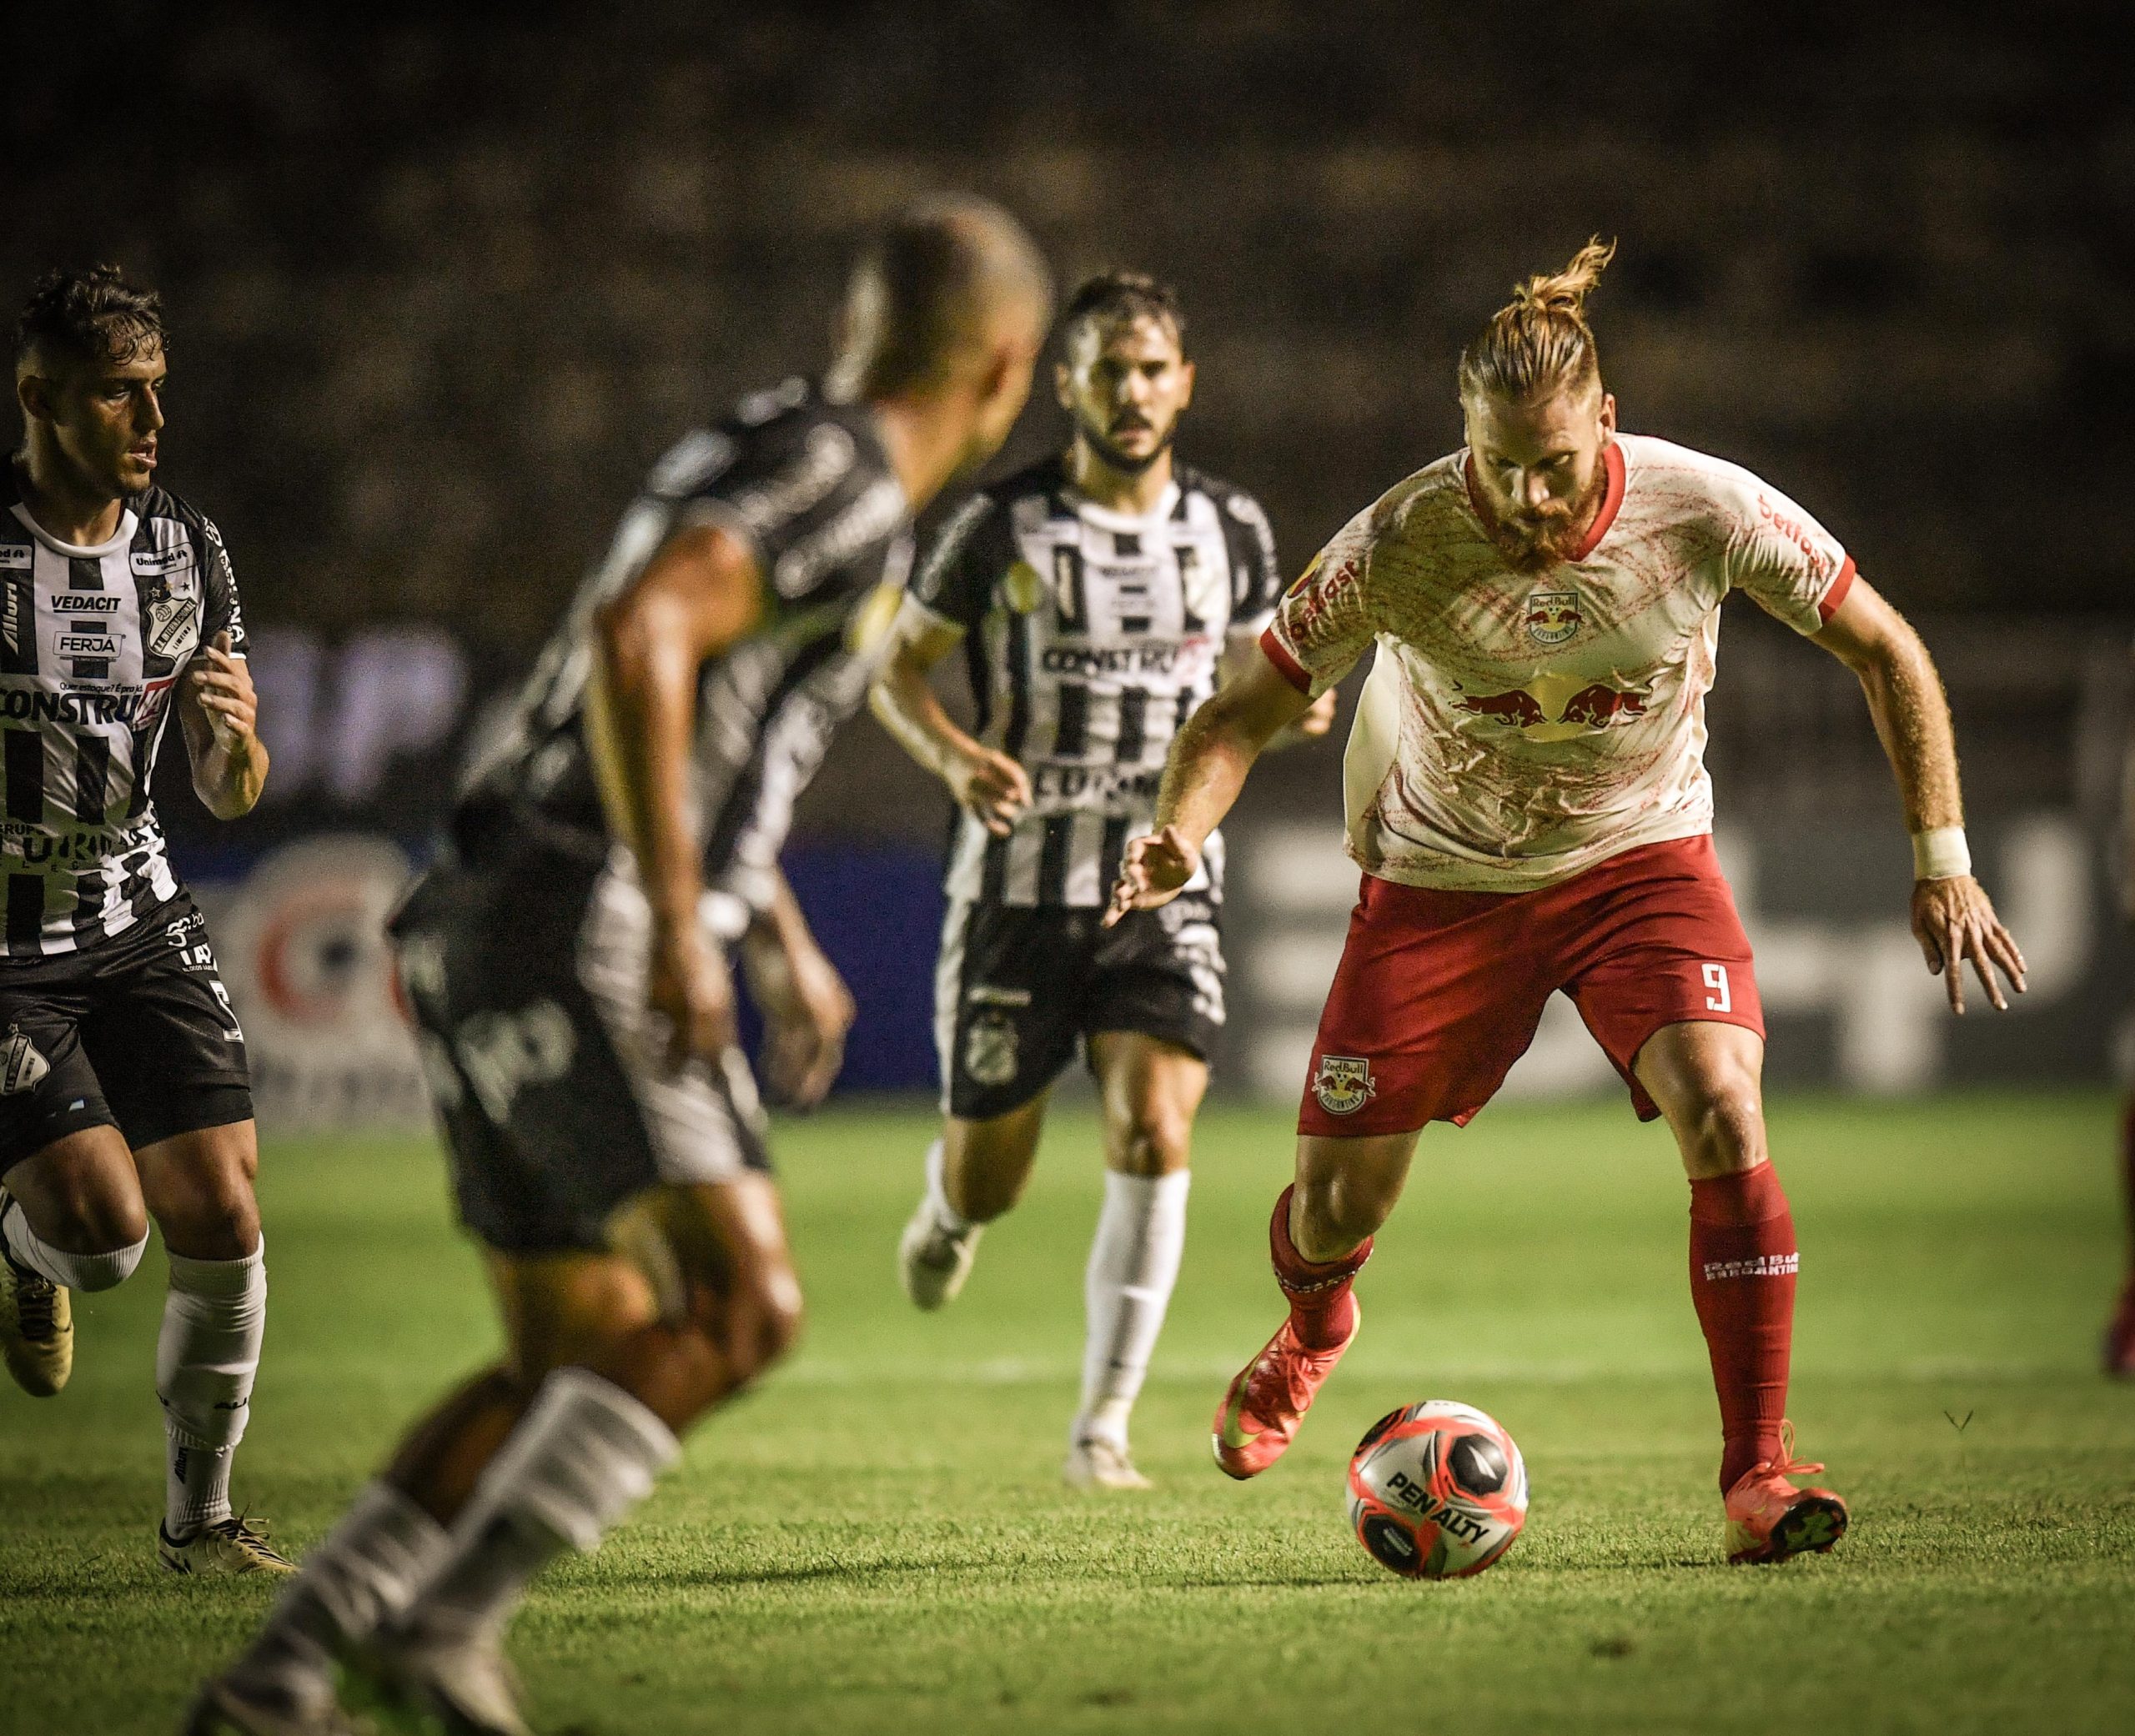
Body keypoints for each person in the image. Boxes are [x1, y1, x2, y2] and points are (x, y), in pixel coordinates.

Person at [188, 196, 1051, 1736]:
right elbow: (644, 635)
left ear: (864, 326)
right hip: (580, 904)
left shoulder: (768, 446)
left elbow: (696, 693)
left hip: (483, 902)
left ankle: (275, 1679)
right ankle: (445, 1626)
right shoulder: (848, 483)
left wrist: (767, 924)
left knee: (570, 1351)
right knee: (743, 1304)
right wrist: (672, 912)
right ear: (1007, 369)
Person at [1108, 240, 2027, 1565]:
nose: (1527, 497)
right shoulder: (1400, 542)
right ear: (1461, 438)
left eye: (1555, 464)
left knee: (1723, 1097)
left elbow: (1883, 644)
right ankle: (1315, 1328)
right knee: (1333, 1211)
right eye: (1497, 464)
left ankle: (1759, 1471)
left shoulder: (1705, 510)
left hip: (1639, 859)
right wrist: (1176, 834)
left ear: (1607, 420)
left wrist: (1940, 853)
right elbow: (1242, 709)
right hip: (1439, 880)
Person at [873, 272, 1333, 1490]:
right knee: (994, 1172)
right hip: (1017, 890)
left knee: (1152, 1124)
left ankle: (1102, 1428)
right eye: (1108, 369)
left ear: (1186, 382)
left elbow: (1251, 692)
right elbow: (892, 671)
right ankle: (950, 1213)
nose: (1133, 392)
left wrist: (1293, 711)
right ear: (1066, 382)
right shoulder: (997, 525)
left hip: (1161, 879)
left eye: (1153, 368)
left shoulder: (1231, 528)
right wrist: (958, 754)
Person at [0, 266, 283, 1575]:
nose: (148, 417)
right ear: (39, 396)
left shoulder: (185, 549)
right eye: (118, 391)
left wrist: (235, 749)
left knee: (223, 1208)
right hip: (6, 955)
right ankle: (22, 1245)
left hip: (139, 909)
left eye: (157, 390)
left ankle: (202, 1523)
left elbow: (230, 788)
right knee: (103, 1243)